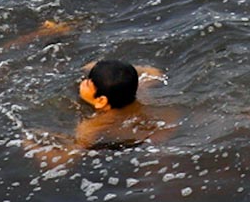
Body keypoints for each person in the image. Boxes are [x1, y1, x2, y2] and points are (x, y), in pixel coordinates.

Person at [24, 59, 175, 166]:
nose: (83, 83)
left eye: (88, 83)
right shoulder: (140, 90)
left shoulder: (93, 124)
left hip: (134, 150)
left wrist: (28, 142)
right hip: (159, 135)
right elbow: (155, 72)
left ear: (101, 101)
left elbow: (71, 155)